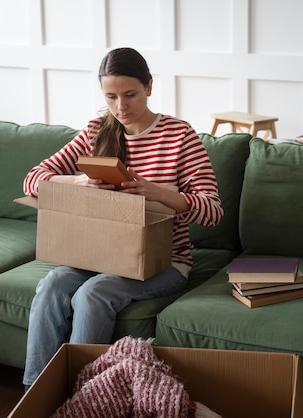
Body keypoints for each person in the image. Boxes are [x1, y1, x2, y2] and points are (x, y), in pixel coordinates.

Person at [22, 47, 223, 389]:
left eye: (130, 95)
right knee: (53, 284)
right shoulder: (97, 130)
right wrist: (79, 180)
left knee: (93, 293)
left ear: (149, 87)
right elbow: (33, 179)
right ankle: (35, 393)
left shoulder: (180, 136)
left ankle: (85, 397)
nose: (120, 107)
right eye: (111, 96)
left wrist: (159, 192)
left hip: (166, 263)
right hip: (99, 254)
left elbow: (212, 211)